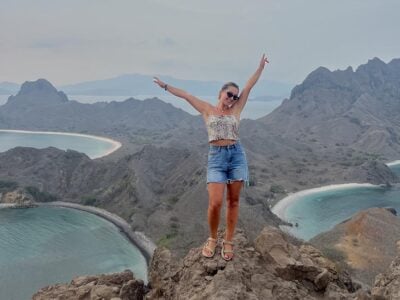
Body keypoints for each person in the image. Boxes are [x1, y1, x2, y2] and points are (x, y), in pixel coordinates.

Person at [153, 54, 269, 260]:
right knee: (215, 202)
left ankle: (229, 241)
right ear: (221, 92)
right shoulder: (207, 109)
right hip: (216, 158)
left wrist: (260, 68)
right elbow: (186, 95)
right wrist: (165, 86)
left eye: (235, 96)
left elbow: (249, 86)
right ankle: (213, 238)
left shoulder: (237, 109)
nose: (232, 98)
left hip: (236, 156)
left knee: (233, 201)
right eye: (229, 94)